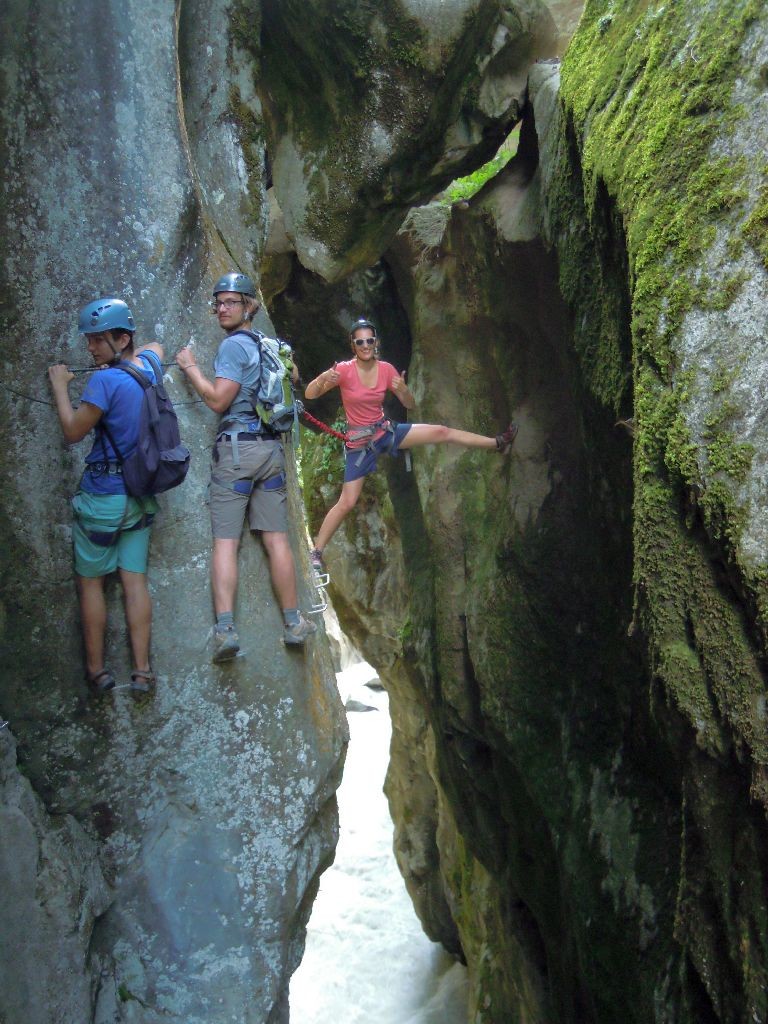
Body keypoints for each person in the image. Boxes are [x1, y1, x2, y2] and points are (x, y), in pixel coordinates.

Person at [175, 272, 316, 662]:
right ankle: (293, 623)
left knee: (226, 541)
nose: (221, 308)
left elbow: (219, 400)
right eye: (218, 302)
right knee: (276, 540)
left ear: (249, 306)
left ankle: (224, 631)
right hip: (270, 452)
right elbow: (294, 378)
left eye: (231, 302)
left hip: (237, 452)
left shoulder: (234, 346)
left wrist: (189, 368)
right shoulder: (268, 345)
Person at [304, 318, 518, 573]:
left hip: (384, 432)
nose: (365, 345)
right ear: (353, 345)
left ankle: (497, 443)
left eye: (369, 340)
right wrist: (323, 379)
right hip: (360, 444)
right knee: (348, 501)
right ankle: (316, 551)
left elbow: (410, 404)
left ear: (376, 342)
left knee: (441, 431)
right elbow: (309, 394)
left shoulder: (386, 370)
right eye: (359, 341)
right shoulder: (344, 370)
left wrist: (403, 390)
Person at [48, 298, 163, 695]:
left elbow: (73, 430)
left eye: (98, 340)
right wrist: (123, 356)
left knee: (91, 583)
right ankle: (143, 671)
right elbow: (156, 347)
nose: (91, 348)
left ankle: (98, 672)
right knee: (135, 582)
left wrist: (62, 387)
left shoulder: (102, 382)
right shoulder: (148, 368)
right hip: (139, 498)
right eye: (90, 340)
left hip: (102, 498)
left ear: (122, 337)